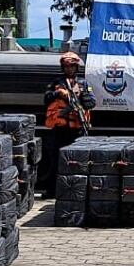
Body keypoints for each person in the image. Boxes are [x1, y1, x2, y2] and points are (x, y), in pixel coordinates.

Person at [41, 51, 96, 199]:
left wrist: (81, 96)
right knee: (56, 159)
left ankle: (78, 190)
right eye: (66, 66)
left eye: (72, 66)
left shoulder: (83, 83)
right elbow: (46, 99)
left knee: (79, 160)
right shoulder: (56, 82)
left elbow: (91, 103)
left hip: (78, 128)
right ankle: (52, 190)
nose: (69, 69)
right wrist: (58, 93)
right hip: (60, 129)